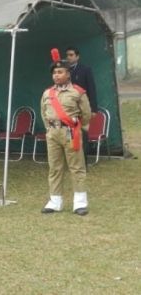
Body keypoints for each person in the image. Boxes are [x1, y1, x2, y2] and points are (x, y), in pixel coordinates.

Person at [40, 59, 92, 216]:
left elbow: (86, 114)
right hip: (53, 134)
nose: (56, 75)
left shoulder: (78, 92)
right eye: (54, 73)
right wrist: (49, 129)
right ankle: (55, 201)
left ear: (68, 74)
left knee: (76, 168)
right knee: (54, 168)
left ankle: (80, 203)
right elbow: (43, 112)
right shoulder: (47, 93)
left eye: (60, 72)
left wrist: (76, 127)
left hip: (71, 133)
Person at [65, 47, 98, 113]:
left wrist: (93, 109)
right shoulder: (64, 71)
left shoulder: (85, 70)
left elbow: (91, 89)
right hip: (68, 107)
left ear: (77, 57)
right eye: (67, 55)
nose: (68, 57)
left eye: (71, 55)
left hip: (82, 105)